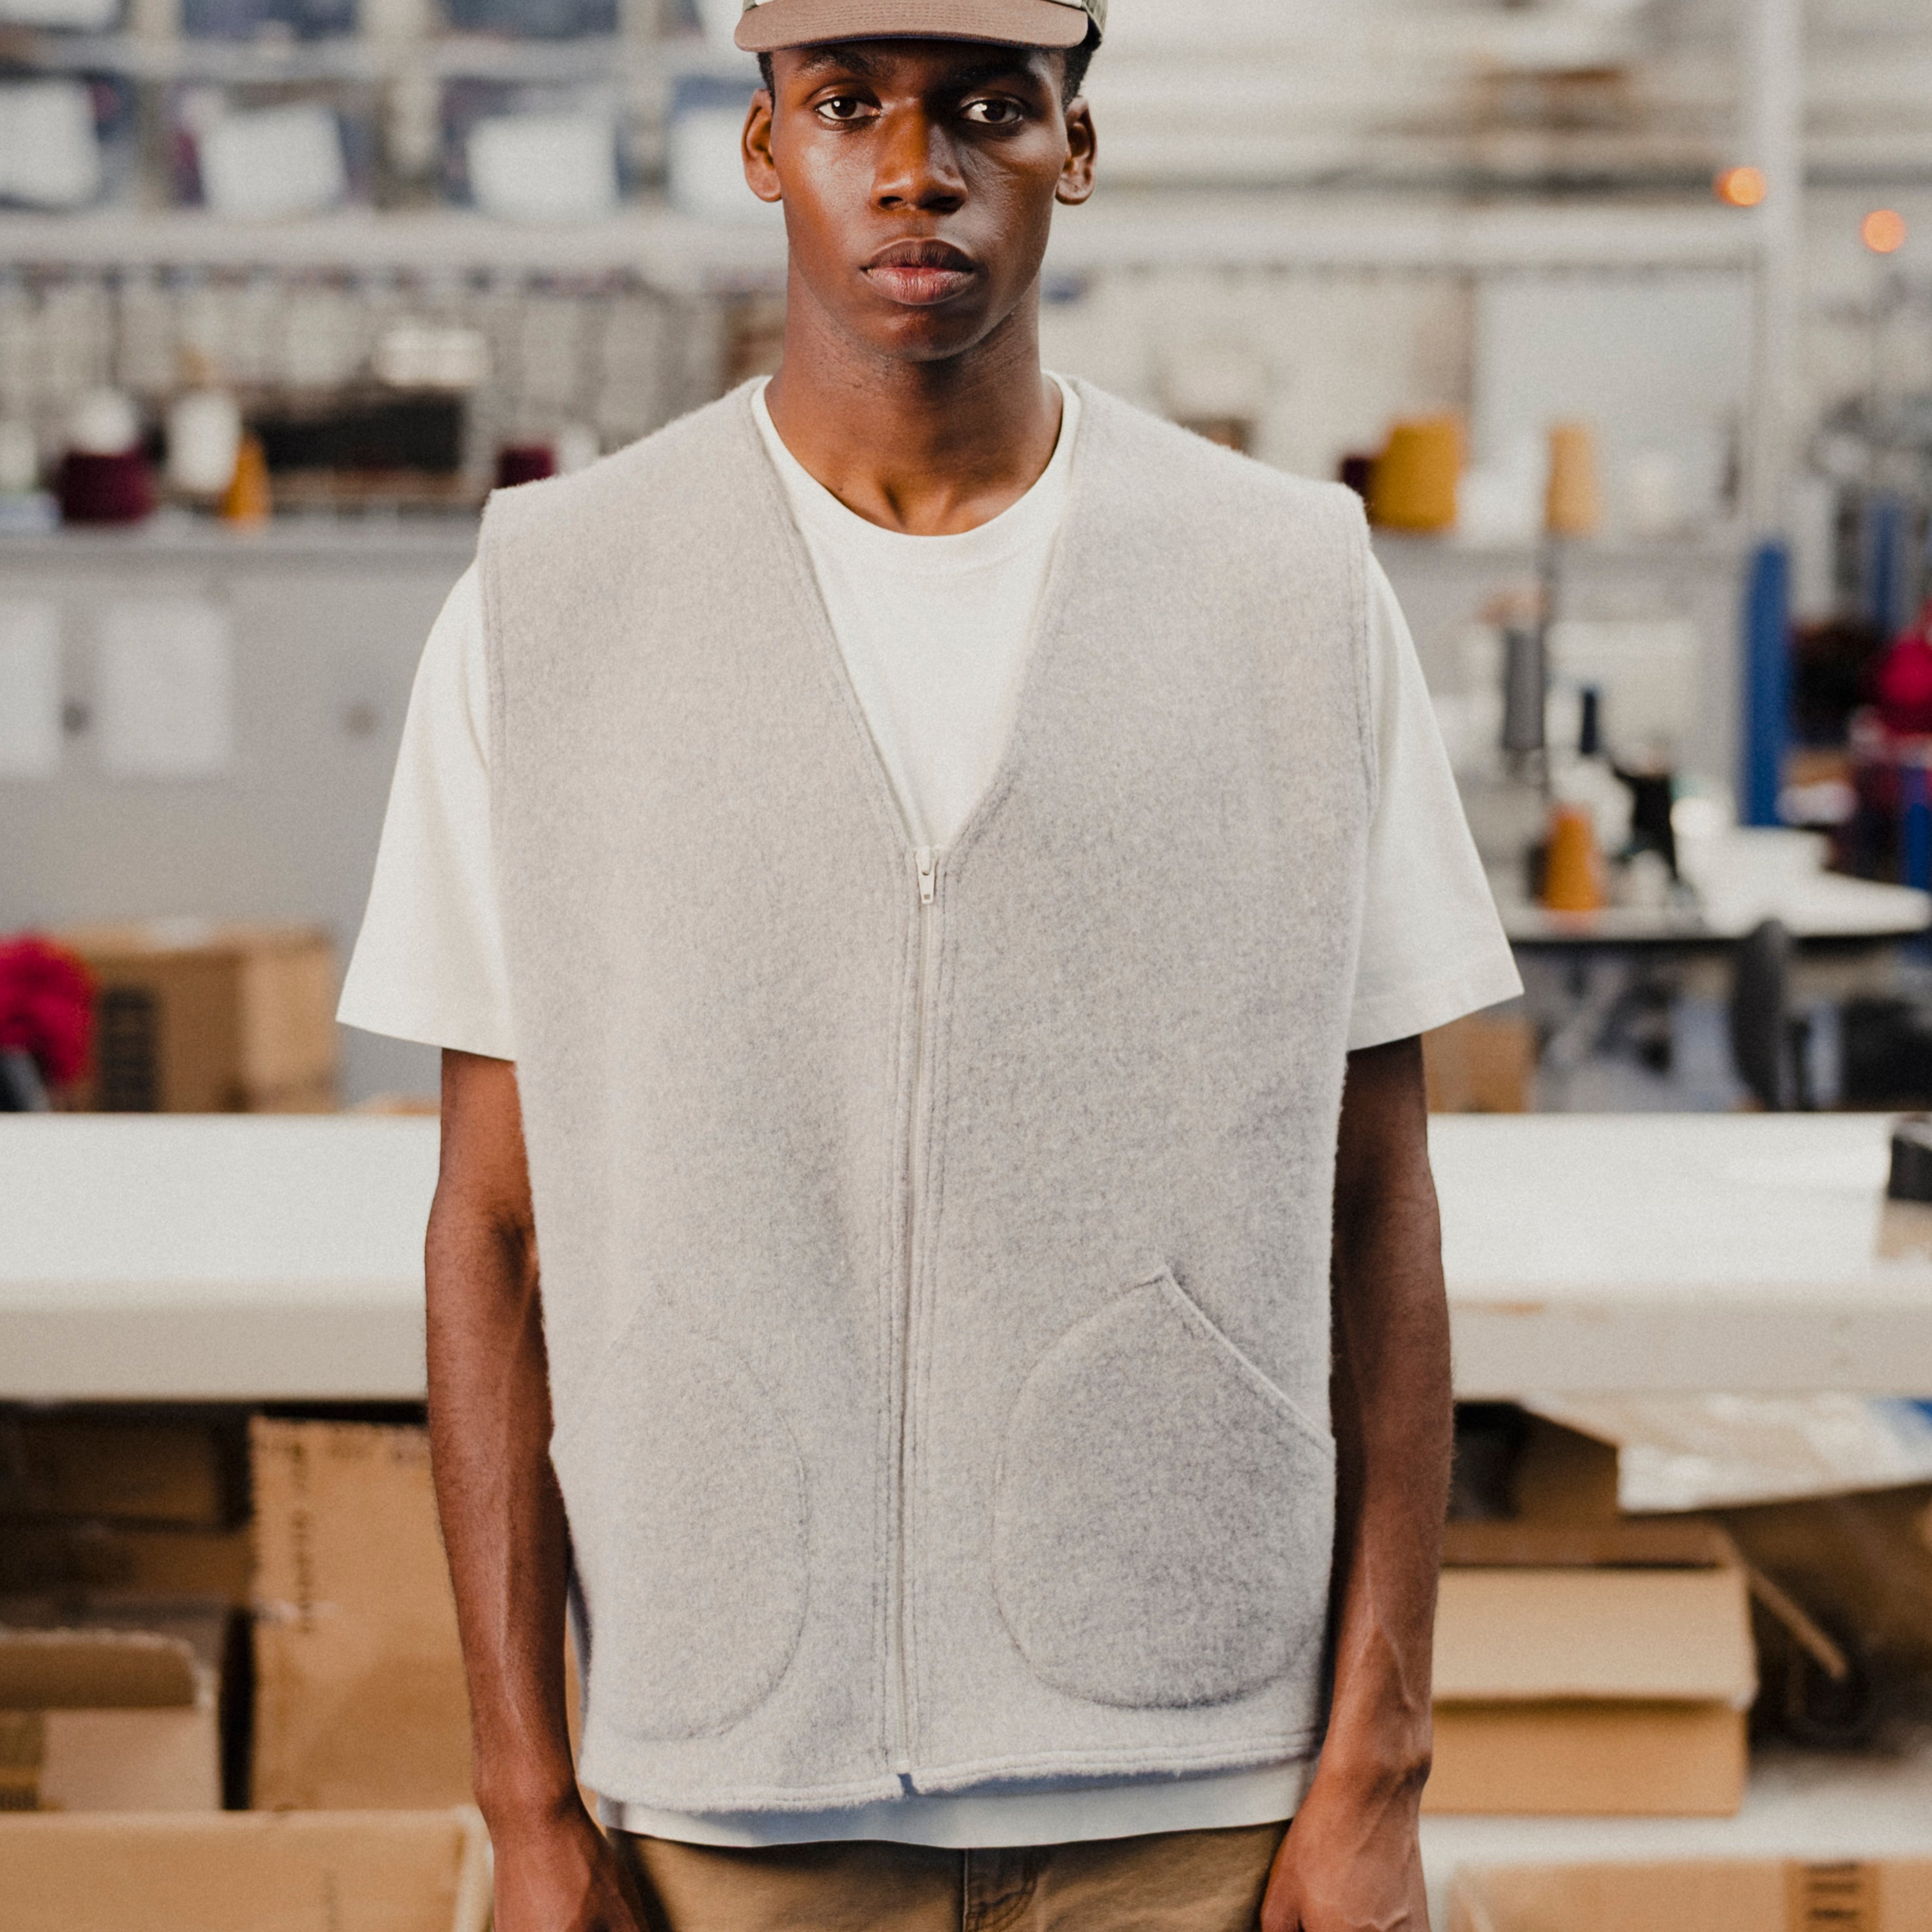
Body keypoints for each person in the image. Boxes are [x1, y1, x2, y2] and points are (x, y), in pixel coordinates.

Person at [339, 0, 1521, 1924]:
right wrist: (525, 1800)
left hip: (1198, 1781)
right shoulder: (552, 606)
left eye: (989, 109)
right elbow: (489, 1230)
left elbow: (1378, 1196)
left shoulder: (1286, 589)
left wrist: (1377, 1763)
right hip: (730, 1784)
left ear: (1077, 145)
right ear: (760, 146)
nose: (916, 167)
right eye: (847, 105)